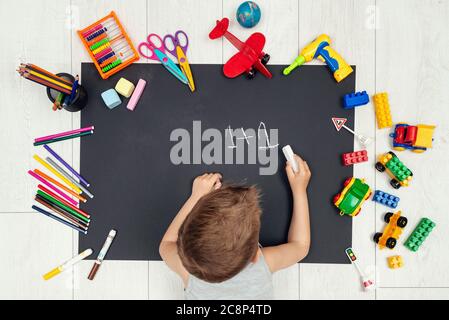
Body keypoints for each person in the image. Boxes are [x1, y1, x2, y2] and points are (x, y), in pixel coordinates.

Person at [160, 154, 311, 300]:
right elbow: (300, 246)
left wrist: (196, 197)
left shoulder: (189, 272)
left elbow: (166, 245)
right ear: (255, 255)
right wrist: (299, 190)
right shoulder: (261, 267)